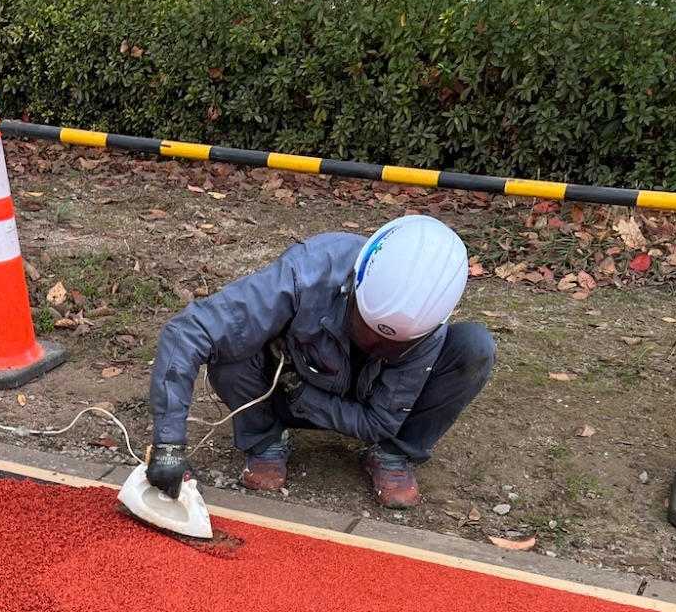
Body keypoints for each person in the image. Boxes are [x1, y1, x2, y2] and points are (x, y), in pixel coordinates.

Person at [146, 213, 495, 509]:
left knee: (474, 347)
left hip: (327, 397)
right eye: (366, 330)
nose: (374, 347)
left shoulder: (427, 328)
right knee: (231, 346)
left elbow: (378, 422)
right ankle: (265, 439)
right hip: (281, 387)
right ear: (353, 289)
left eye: (392, 346)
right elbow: (187, 332)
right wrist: (168, 444)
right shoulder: (305, 275)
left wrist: (303, 395)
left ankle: (393, 454)